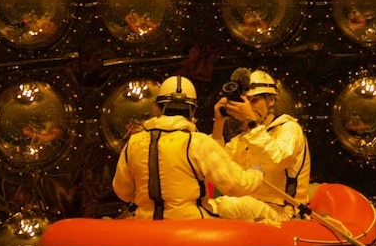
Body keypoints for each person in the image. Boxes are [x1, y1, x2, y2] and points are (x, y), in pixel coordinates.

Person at [112, 75, 265, 220]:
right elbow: (237, 186)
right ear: (193, 110)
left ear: (156, 108)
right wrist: (257, 171)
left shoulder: (133, 142)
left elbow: (122, 191)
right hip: (192, 226)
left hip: (145, 223)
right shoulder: (197, 142)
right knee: (255, 208)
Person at [210, 68, 311, 224]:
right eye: (245, 101)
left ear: (271, 100)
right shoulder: (245, 137)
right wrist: (219, 124)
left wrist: (251, 122)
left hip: (283, 212)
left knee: (227, 205)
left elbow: (275, 160)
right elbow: (218, 168)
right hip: (251, 207)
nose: (249, 107)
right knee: (211, 204)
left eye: (254, 100)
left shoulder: (289, 128)